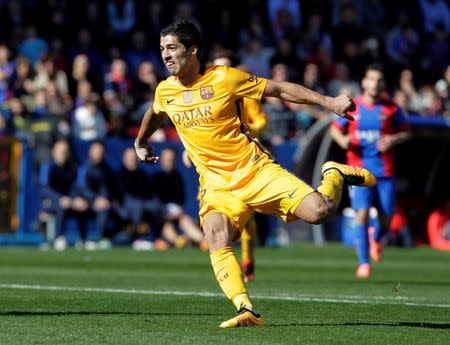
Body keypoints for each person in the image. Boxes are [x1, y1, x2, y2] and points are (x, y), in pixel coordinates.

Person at [134, 21, 376, 328]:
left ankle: (334, 174)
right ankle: (244, 308)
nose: (165, 55)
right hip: (217, 185)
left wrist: (328, 102)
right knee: (215, 236)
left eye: (172, 48)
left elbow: (279, 89)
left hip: (255, 171)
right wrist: (141, 141)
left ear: (193, 50)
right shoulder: (165, 90)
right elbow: (156, 112)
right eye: (161, 49)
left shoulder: (225, 79)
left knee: (320, 211)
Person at [330, 64, 410, 279]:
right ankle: (364, 264)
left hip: (384, 172)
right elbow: (335, 129)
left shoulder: (391, 108)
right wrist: (343, 140)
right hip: (358, 171)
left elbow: (406, 132)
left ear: (382, 84)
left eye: (379, 80)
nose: (375, 83)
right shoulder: (354, 107)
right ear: (364, 82)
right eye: (371, 79)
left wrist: (393, 139)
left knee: (386, 218)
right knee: (362, 215)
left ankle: (377, 237)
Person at [153, 147, 207, 250]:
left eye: (171, 159)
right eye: (166, 159)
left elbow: (180, 200)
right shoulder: (156, 177)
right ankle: (179, 242)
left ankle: (203, 242)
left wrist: (178, 213)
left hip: (178, 215)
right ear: (161, 160)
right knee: (167, 226)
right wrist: (164, 214)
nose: (168, 162)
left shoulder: (177, 177)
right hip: (162, 218)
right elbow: (154, 202)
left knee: (185, 221)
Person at [39, 140, 77, 250]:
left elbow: (74, 187)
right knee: (61, 206)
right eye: (61, 152)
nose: (63, 155)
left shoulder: (71, 167)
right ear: (53, 152)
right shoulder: (48, 166)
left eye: (65, 152)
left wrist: (74, 199)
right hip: (48, 201)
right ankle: (58, 237)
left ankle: (83, 239)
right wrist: (60, 198)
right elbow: (44, 189)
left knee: (82, 206)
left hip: (67, 200)